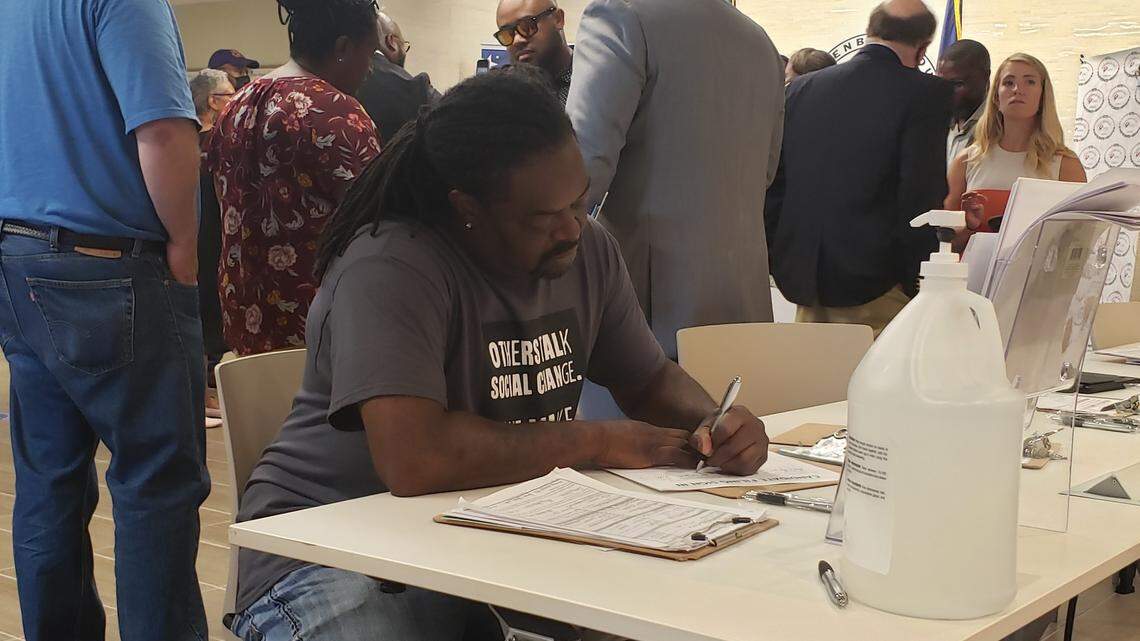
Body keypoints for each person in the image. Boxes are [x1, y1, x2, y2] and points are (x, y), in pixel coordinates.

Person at [227, 68, 771, 641]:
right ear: (468, 206)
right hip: (333, 548)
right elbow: (416, 459)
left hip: (484, 544)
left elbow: (649, 377)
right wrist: (601, 440)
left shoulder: (588, 252)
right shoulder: (391, 266)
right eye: (543, 218)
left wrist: (713, 418)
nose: (571, 229)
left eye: (580, 201)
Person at [0, 1, 210, 640]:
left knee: (48, 482)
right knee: (156, 487)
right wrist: (184, 245)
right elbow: (165, 131)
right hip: (111, 265)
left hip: (16, 256)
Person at [567, 0, 784, 361]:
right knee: (730, 413)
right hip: (743, 299)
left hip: (648, 307)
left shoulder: (620, 16)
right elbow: (766, 170)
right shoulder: (759, 41)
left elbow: (580, 172)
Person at [765, 0, 952, 337]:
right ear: (923, 47)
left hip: (805, 280)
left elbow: (775, 184)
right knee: (877, 388)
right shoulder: (926, 93)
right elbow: (920, 194)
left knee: (816, 387)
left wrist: (781, 258)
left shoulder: (801, 90)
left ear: (870, 32)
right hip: (879, 284)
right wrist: (918, 281)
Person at [207, 0, 383, 356]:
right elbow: (378, 224)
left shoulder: (236, 106)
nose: (370, 70)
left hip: (244, 323)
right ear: (342, 48)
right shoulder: (336, 112)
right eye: (370, 55)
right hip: (316, 331)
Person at [945, 53, 1086, 235]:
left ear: (1043, 95)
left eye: (1030, 82)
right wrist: (970, 227)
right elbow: (945, 241)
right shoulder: (966, 161)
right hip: (975, 263)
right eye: (1009, 82)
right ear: (996, 96)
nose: (1018, 89)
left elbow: (1078, 239)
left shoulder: (1066, 165)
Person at [189, 69, 235, 410]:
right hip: (201, 236)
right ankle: (204, 384)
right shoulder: (198, 140)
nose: (236, 100)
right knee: (205, 302)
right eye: (229, 94)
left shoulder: (221, 139)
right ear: (212, 101)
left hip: (215, 234)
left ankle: (209, 377)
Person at [356, 11, 441, 144]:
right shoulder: (415, 88)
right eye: (403, 46)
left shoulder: (339, 75)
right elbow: (454, 119)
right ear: (391, 42)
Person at [495, 0, 574, 104]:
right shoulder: (504, 96)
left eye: (527, 26)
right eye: (507, 34)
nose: (516, 41)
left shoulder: (596, 79)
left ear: (558, 19)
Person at [938, 39, 991, 167]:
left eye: (957, 84)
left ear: (985, 78)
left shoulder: (1001, 127)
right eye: (941, 83)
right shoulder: (935, 121)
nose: (946, 92)